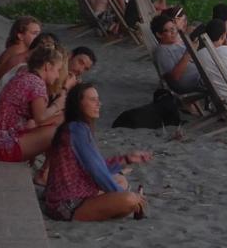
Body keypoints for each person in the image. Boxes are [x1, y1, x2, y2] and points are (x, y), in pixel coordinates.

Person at [44, 83, 151, 222]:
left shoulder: (77, 127)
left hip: (70, 193)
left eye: (98, 99)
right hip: (66, 204)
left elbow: (98, 166)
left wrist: (127, 159)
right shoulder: (77, 130)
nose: (98, 104)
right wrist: (131, 198)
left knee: (120, 180)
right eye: (93, 100)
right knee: (128, 199)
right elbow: (97, 171)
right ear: (79, 104)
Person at [0, 40, 67, 167]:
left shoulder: (24, 76)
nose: (58, 75)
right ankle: (48, 174)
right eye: (57, 70)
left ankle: (47, 172)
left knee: (58, 119)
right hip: (6, 147)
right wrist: (58, 104)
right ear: (47, 66)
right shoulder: (36, 83)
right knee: (61, 128)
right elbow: (40, 118)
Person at [0, 16, 41, 100]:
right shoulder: (20, 54)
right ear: (20, 36)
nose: (39, 38)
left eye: (39, 34)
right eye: (34, 33)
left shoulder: (12, 50)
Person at [150, 14, 203, 94]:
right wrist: (189, 52)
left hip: (201, 76)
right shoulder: (162, 51)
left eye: (174, 28)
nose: (174, 32)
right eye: (169, 30)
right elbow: (174, 78)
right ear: (159, 35)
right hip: (194, 82)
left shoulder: (176, 43)